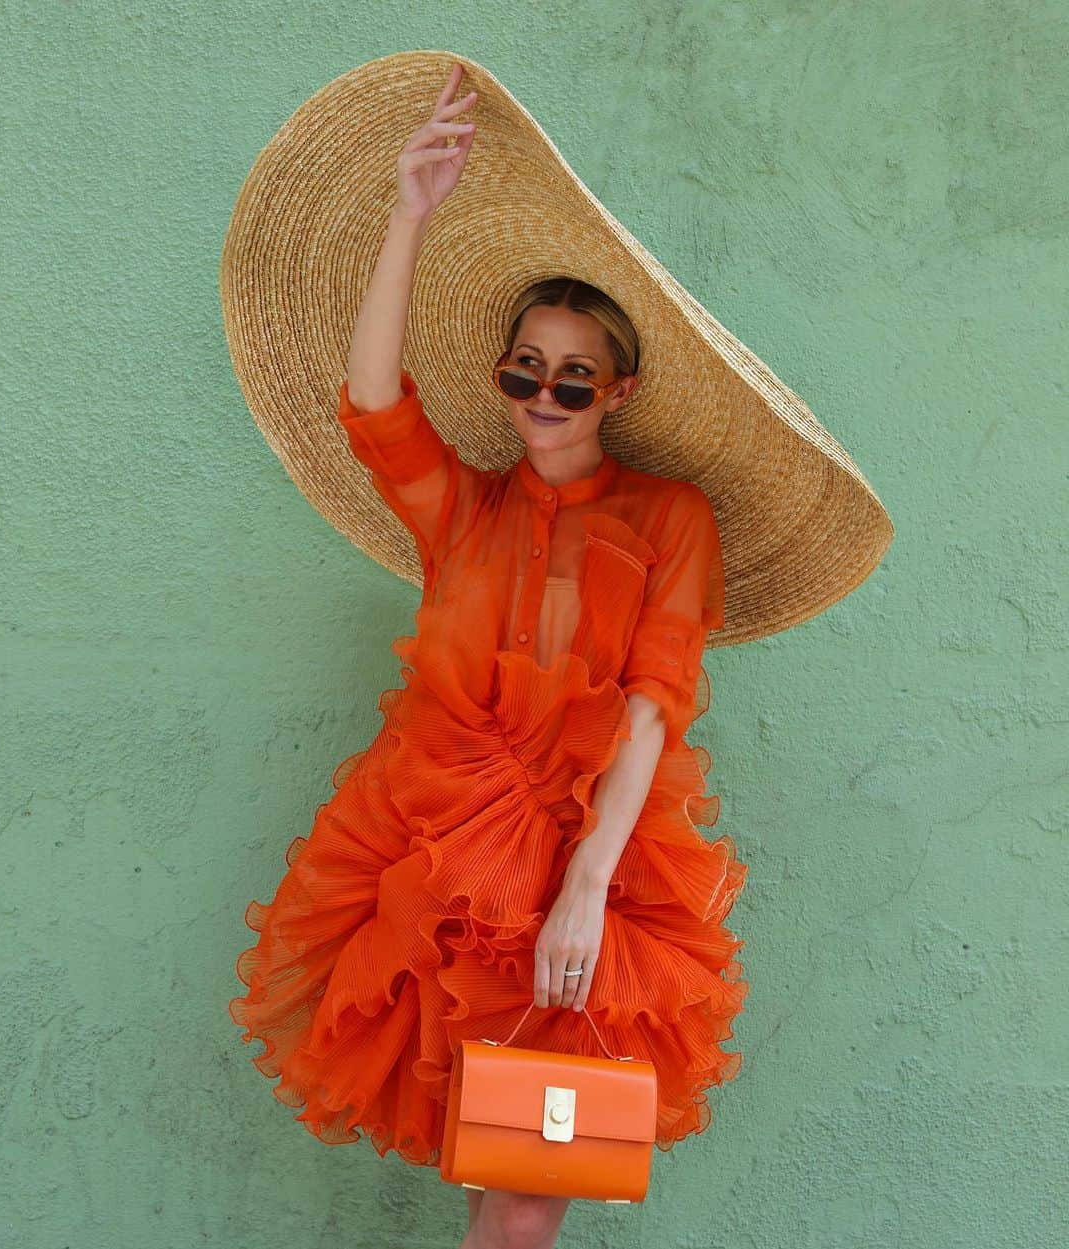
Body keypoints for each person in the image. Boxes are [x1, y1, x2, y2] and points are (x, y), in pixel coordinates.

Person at [229, 63, 747, 1249]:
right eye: (525, 366)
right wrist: (410, 214)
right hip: (442, 872)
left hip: (596, 885)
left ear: (618, 388)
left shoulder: (673, 518)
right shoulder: (465, 512)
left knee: (521, 1209)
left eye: (575, 375)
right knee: (490, 1188)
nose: (544, 394)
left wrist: (585, 890)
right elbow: (374, 407)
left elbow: (655, 706)